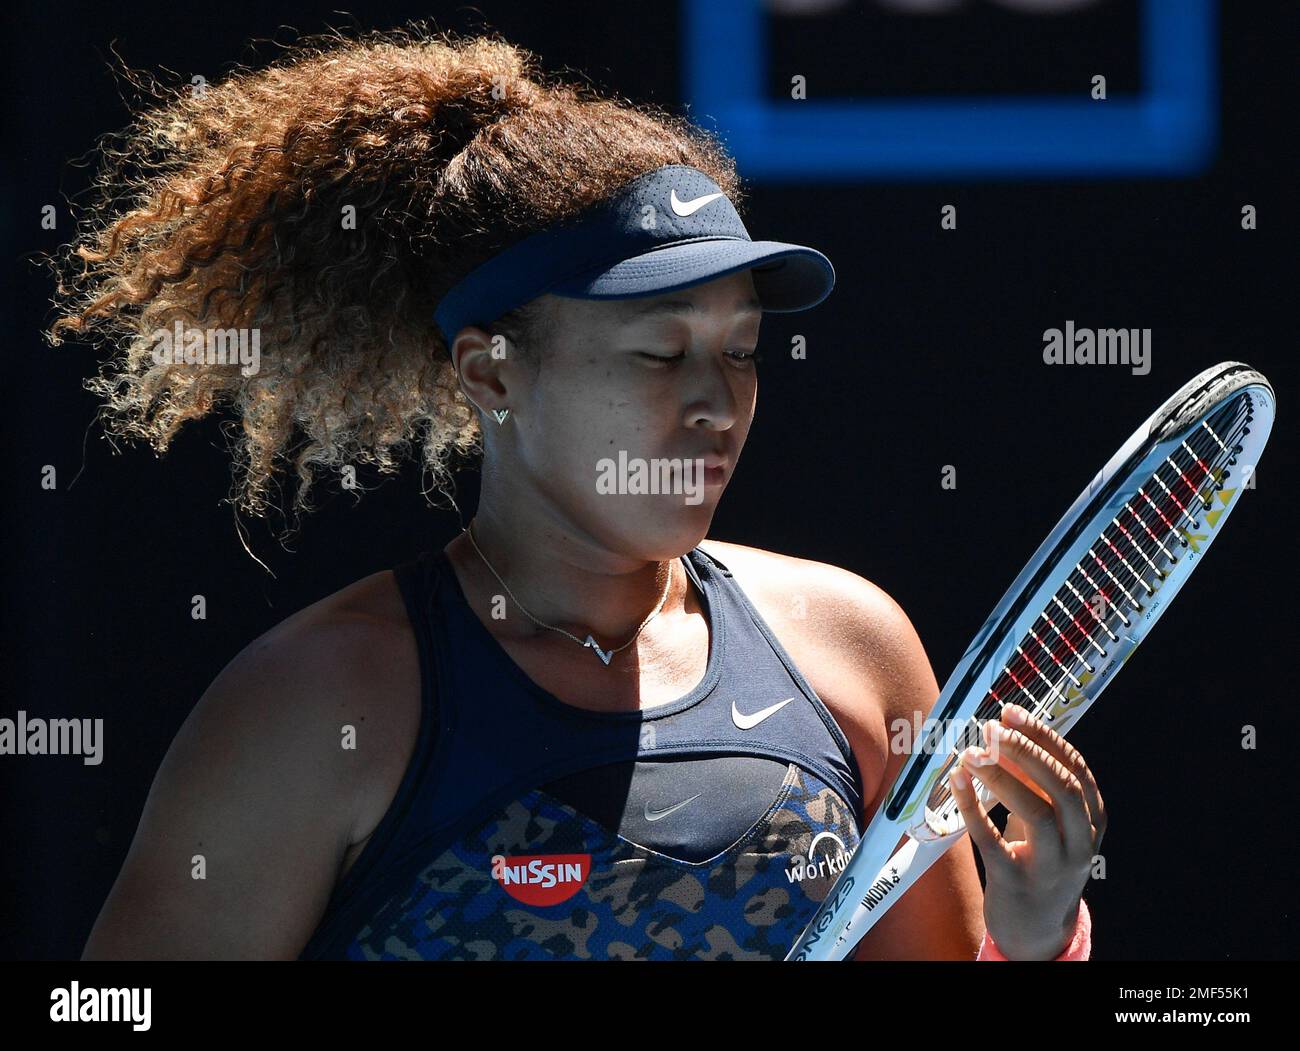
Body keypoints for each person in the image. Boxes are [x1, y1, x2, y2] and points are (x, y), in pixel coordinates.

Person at [51, 26, 1102, 961]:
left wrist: (1033, 935)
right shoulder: (316, 702)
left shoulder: (854, 649)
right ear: (492, 372)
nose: (716, 403)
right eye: (658, 353)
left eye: (740, 352)